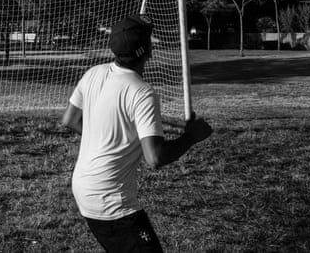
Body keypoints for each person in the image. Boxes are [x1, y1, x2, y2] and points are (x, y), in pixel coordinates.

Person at [61, 14, 213, 252]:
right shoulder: (143, 93)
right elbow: (155, 158)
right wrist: (191, 137)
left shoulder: (94, 72)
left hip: (83, 188)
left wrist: (110, 140)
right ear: (147, 51)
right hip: (109, 200)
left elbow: (70, 119)